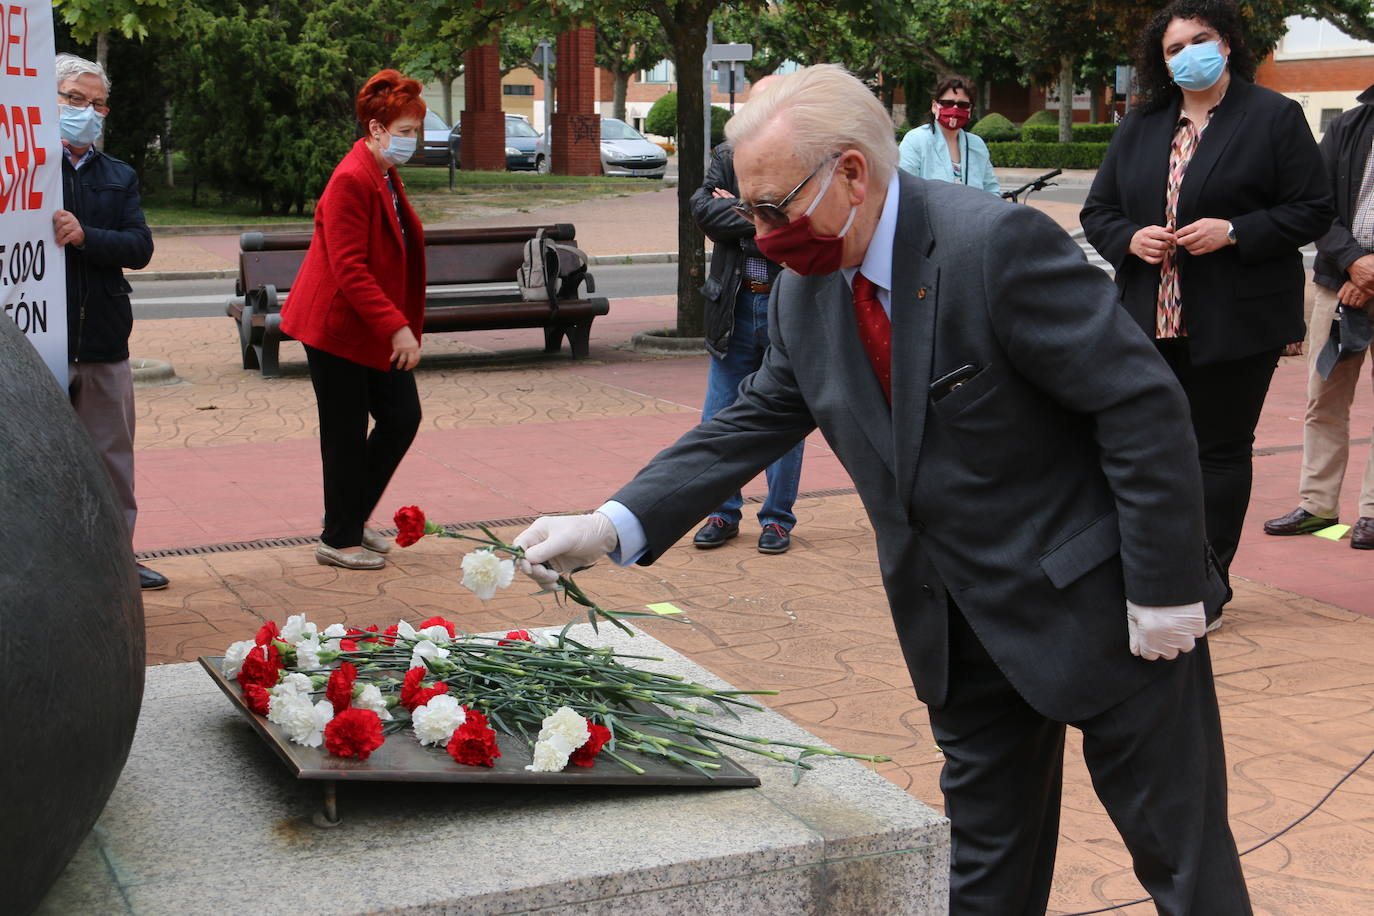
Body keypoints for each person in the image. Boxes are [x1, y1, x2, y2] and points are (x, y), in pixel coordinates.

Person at [512, 64, 1250, 914]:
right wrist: (609, 525)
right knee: (980, 879)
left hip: (1107, 611)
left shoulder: (993, 247)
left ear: (851, 174)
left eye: (772, 208)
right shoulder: (805, 292)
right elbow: (750, 423)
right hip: (958, 630)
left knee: (1184, 867)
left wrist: (1164, 590)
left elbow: (1141, 405)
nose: (758, 231)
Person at [1081, 0, 1333, 618]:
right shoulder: (1142, 123)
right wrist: (1128, 240)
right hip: (1149, 317)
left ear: (1226, 44)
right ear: (1159, 61)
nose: (1187, 54)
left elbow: (1312, 208)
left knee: (1218, 452)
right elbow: (1099, 211)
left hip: (1236, 320)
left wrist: (1236, 230)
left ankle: (1206, 585)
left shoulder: (1272, 115)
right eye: (1173, 48)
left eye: (1199, 40)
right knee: (1148, 452)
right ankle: (1151, 571)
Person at [279, 69, 427, 570]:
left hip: (369, 325)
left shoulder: (382, 171)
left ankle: (350, 517)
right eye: (405, 131)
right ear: (375, 128)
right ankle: (338, 538)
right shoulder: (351, 178)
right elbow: (348, 268)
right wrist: (397, 325)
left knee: (402, 417)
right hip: (336, 327)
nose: (413, 140)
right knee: (344, 432)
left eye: (414, 130)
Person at [52, 54, 166, 591]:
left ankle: (119, 563)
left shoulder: (118, 175)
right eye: (74, 99)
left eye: (97, 104)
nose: (87, 112)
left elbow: (139, 246)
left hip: (101, 339)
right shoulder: (21, 172)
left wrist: (86, 236)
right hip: (39, 346)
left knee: (111, 463)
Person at [689, 76, 803, 555]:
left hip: (784, 305)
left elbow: (798, 222)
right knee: (720, 418)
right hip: (734, 306)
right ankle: (722, 511)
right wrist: (764, 216)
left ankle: (777, 520)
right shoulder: (726, 152)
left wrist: (737, 214)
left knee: (785, 418)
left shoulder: (801, 155)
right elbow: (701, 211)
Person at [1263, 83, 1374, 548]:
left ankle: (1372, 514)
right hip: (1341, 283)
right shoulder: (1350, 124)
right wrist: (1353, 261)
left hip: (1358, 280)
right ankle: (1317, 506)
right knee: (1324, 398)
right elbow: (1316, 204)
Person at [897, 75, 999, 194]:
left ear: (970, 110)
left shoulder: (977, 144)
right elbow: (904, 188)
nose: (955, 109)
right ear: (935, 106)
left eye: (962, 105)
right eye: (948, 103)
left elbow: (992, 191)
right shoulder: (916, 140)